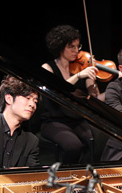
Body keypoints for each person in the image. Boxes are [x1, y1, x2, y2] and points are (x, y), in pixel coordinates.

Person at [40, 25, 102, 164]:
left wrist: (92, 81)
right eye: (71, 47)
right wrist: (79, 76)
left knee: (95, 142)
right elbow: (56, 90)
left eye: (77, 46)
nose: (76, 51)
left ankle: (85, 175)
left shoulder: (81, 67)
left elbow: (94, 97)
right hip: (54, 121)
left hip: (77, 120)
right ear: (60, 47)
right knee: (73, 146)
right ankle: (65, 176)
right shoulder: (48, 68)